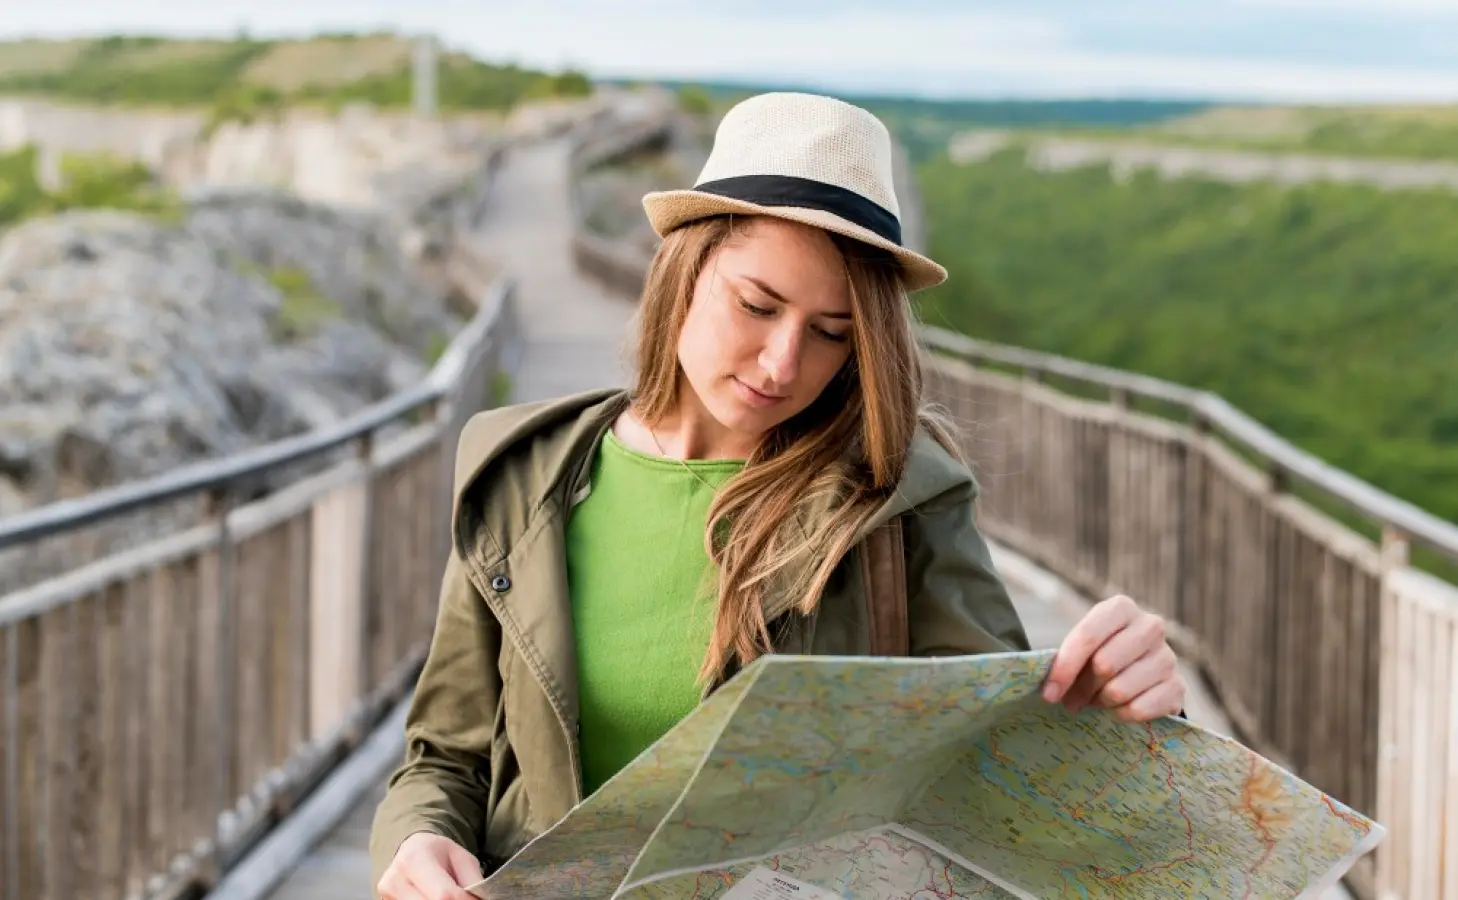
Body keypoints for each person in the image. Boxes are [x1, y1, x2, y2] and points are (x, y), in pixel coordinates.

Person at [369, 92, 1186, 900]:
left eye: (832, 333)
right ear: (683, 269)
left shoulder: (899, 507)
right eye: (756, 306)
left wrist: (1121, 709)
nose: (781, 365)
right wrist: (420, 840)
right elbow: (446, 755)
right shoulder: (524, 477)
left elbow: (1001, 773)